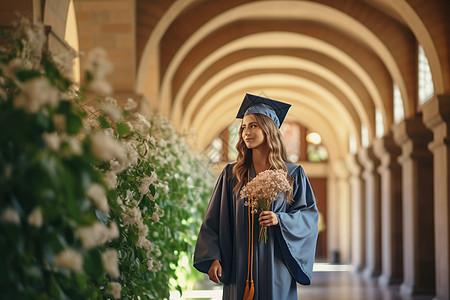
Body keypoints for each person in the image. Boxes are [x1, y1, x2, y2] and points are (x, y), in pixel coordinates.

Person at [194, 93, 319, 300]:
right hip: (238, 263)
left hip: (276, 264)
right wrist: (213, 256)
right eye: (243, 127)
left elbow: (308, 216)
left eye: (253, 126)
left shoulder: (292, 174)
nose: (246, 132)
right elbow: (213, 219)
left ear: (268, 129)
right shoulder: (232, 174)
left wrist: (280, 219)